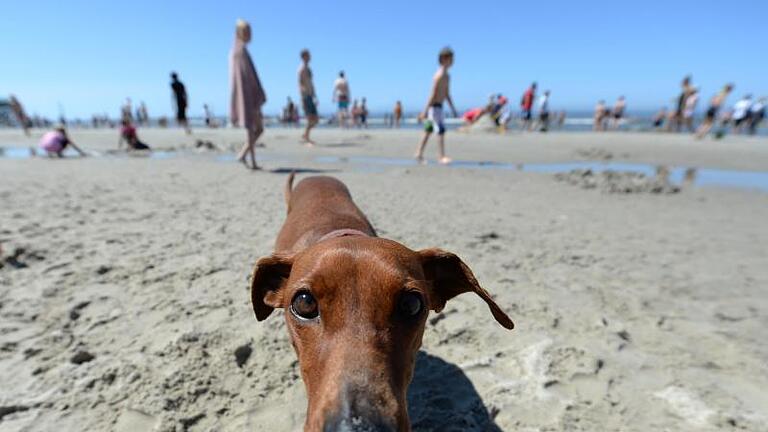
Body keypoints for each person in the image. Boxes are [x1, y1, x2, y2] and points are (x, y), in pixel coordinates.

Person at [230, 19, 267, 170]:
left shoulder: (240, 50)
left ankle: (244, 155)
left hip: (249, 96)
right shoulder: (239, 52)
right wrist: (252, 97)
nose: (250, 35)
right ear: (238, 33)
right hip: (247, 97)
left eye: (250, 31)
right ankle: (251, 161)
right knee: (252, 130)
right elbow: (243, 78)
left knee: (256, 129)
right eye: (246, 32)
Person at [415, 47, 458, 165]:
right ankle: (441, 156)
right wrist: (424, 111)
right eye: (451, 59)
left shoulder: (447, 76)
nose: (453, 61)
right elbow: (432, 94)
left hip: (439, 107)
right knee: (440, 131)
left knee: (428, 130)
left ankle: (419, 153)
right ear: (444, 59)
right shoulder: (438, 75)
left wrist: (453, 108)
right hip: (434, 107)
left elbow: (447, 93)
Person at [298, 49, 318, 145]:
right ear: (304, 57)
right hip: (306, 96)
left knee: (315, 119)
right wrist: (303, 97)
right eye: (308, 55)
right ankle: (306, 137)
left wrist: (314, 95)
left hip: (310, 95)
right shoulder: (301, 69)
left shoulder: (308, 69)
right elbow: (300, 84)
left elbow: (311, 83)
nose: (310, 57)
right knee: (311, 118)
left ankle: (305, 134)